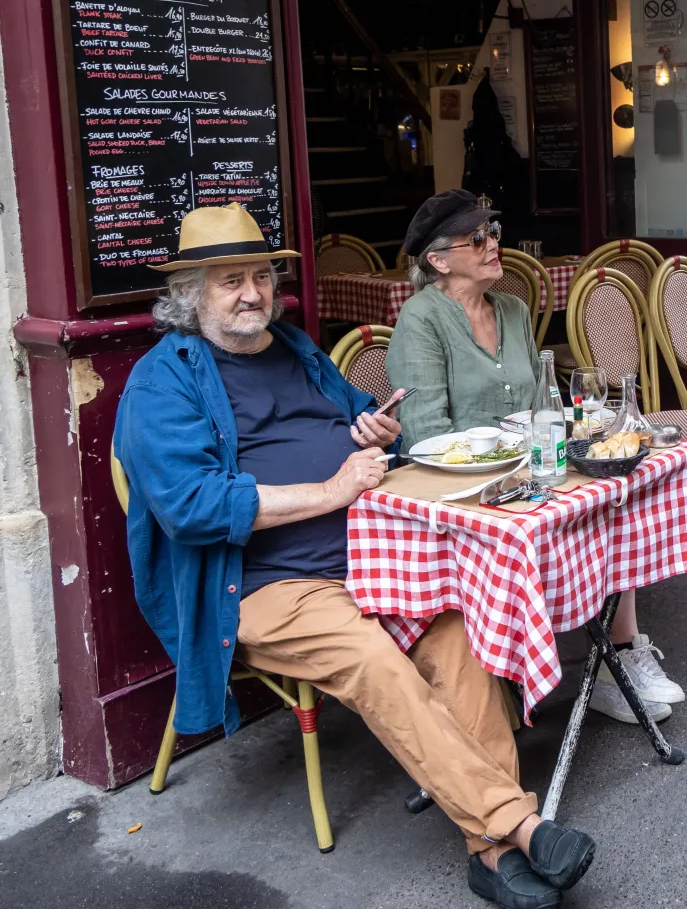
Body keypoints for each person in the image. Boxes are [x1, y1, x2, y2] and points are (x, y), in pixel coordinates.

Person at [113, 204, 593, 909]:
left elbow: (360, 415)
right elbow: (190, 506)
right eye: (230, 281)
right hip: (262, 583)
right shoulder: (163, 381)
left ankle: (489, 849)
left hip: (367, 553)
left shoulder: (292, 346)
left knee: (457, 634)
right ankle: (516, 828)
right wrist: (332, 490)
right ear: (191, 296)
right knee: (375, 659)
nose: (252, 293)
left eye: (260, 276)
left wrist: (374, 426)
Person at [387, 190, 686, 727]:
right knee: (584, 513)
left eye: (493, 233)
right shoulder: (421, 319)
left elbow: (538, 405)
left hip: (525, 475)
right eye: (476, 238)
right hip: (462, 496)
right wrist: (509, 460)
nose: (492, 244)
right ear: (439, 261)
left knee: (610, 502)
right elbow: (426, 434)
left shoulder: (513, 310)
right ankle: (596, 663)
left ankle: (617, 659)